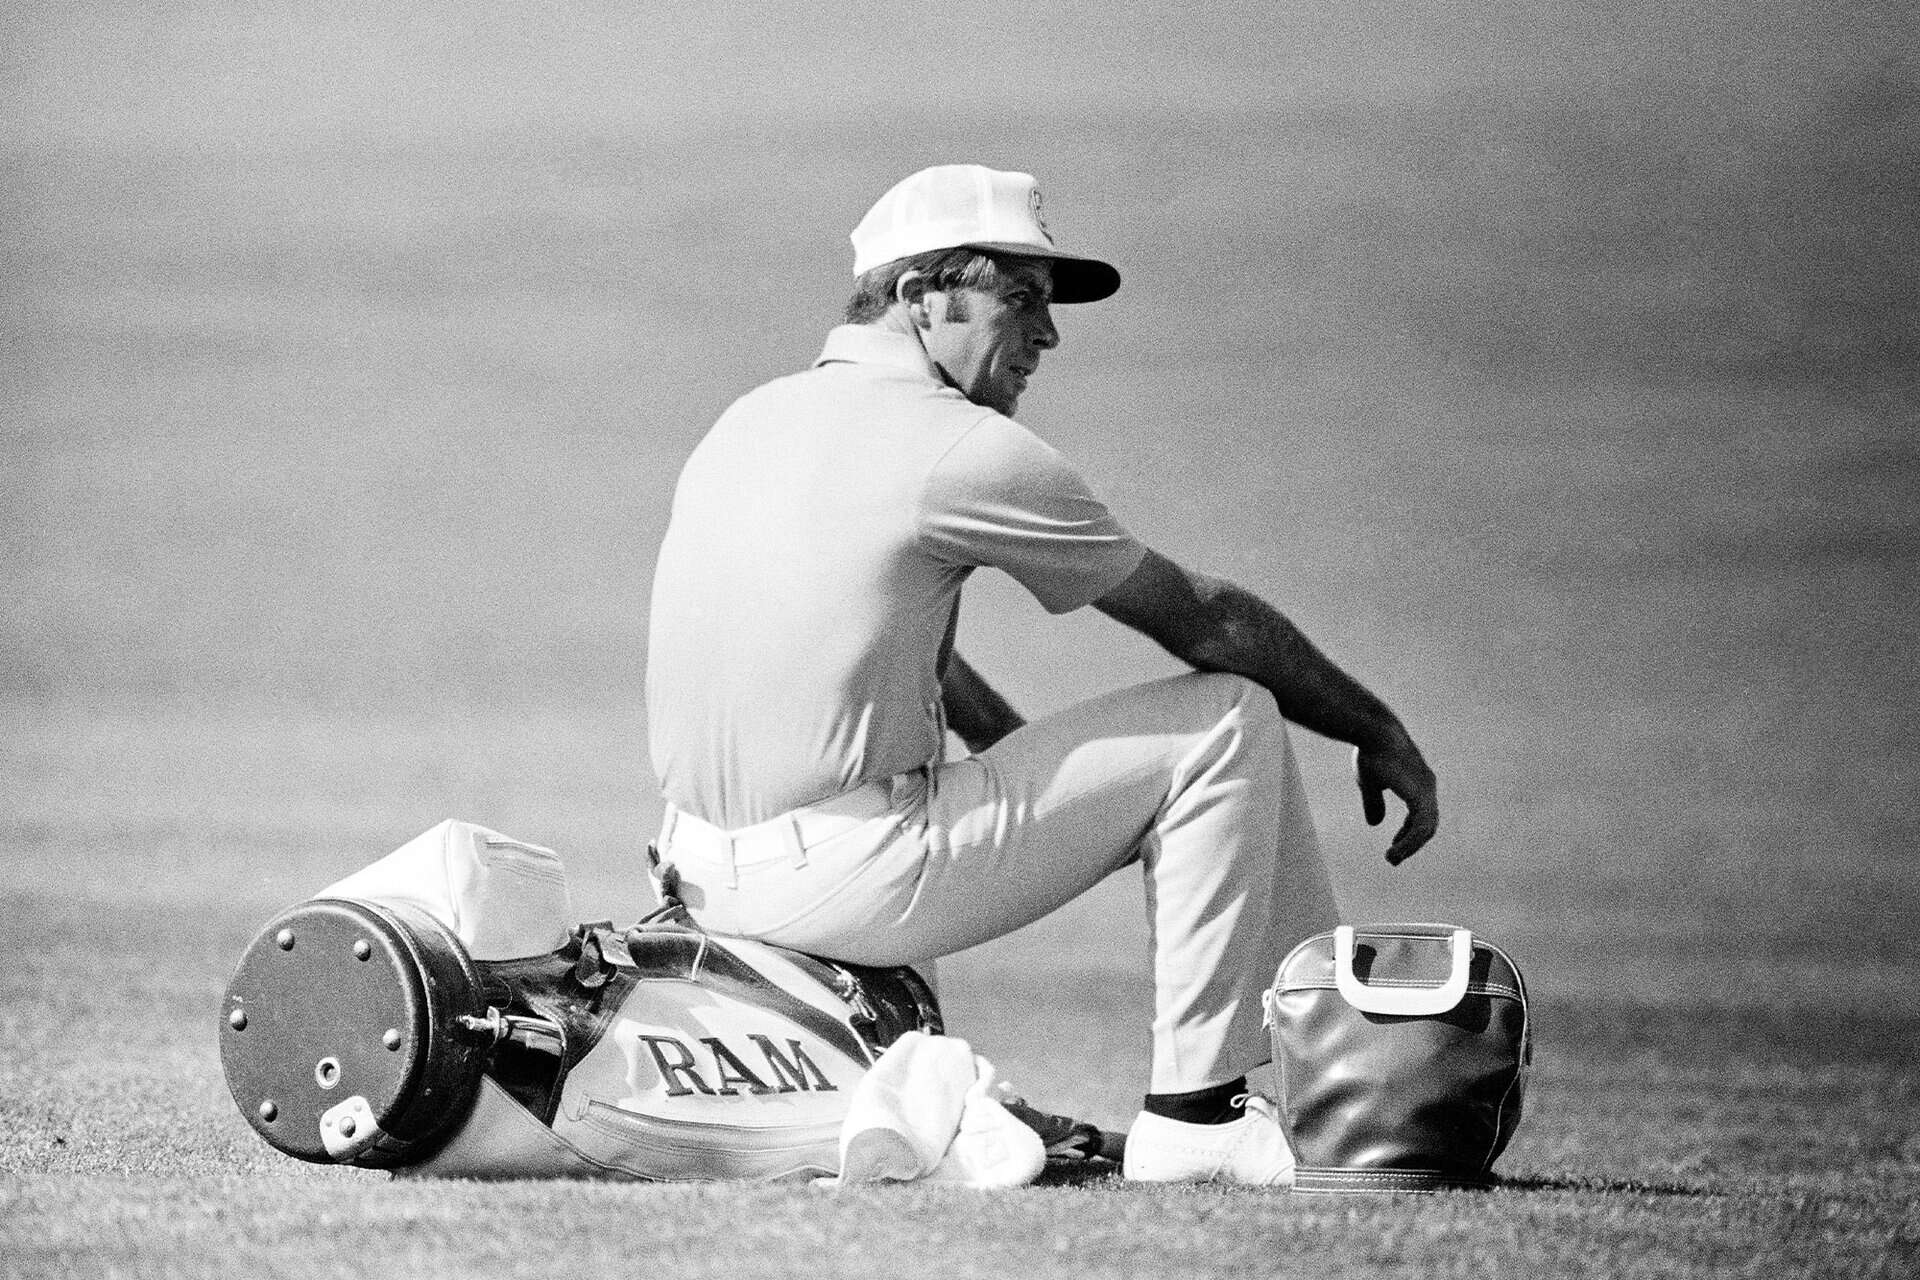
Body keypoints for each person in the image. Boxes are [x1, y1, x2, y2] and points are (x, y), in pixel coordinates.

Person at [644, 163, 1438, 1186]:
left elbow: (876, 642)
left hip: (698, 876)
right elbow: (1202, 619)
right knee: (1229, 719)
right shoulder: (962, 449)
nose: (1048, 334)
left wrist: (1037, 782)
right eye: (1021, 298)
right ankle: (1198, 1114)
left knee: (932, 775)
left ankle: (1280, 1075)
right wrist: (1376, 725)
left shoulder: (748, 420)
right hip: (842, 880)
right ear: (923, 296)